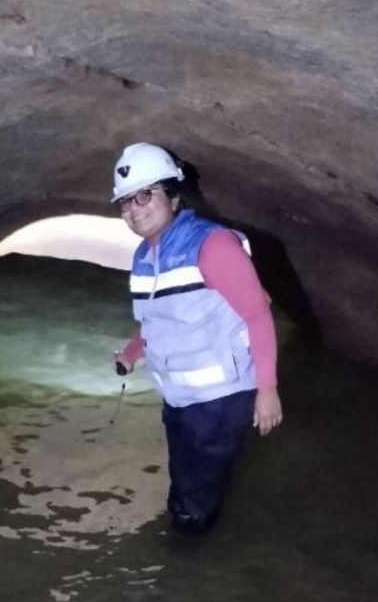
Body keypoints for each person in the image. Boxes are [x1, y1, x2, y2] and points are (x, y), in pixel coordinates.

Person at [110, 142, 283, 533]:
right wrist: (132, 353)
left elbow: (257, 314)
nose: (133, 209)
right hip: (180, 396)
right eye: (124, 202)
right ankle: (187, 528)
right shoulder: (143, 257)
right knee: (183, 476)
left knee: (196, 496)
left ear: (172, 196)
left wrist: (267, 390)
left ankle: (185, 560)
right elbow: (157, 320)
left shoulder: (213, 245)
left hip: (221, 398)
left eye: (143, 195)